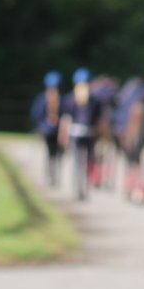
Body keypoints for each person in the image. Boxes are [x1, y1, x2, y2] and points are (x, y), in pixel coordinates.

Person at [59, 67, 99, 201]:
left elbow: (66, 119)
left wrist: (63, 135)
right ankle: (84, 188)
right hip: (90, 134)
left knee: (77, 162)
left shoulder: (70, 98)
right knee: (88, 162)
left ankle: (76, 188)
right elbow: (98, 121)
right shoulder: (95, 100)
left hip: (75, 134)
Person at [29, 71, 64, 187]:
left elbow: (36, 114)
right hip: (58, 130)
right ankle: (55, 174)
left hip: (46, 130)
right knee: (57, 153)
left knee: (49, 152)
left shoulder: (42, 98)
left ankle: (49, 174)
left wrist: (39, 125)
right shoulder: (62, 98)